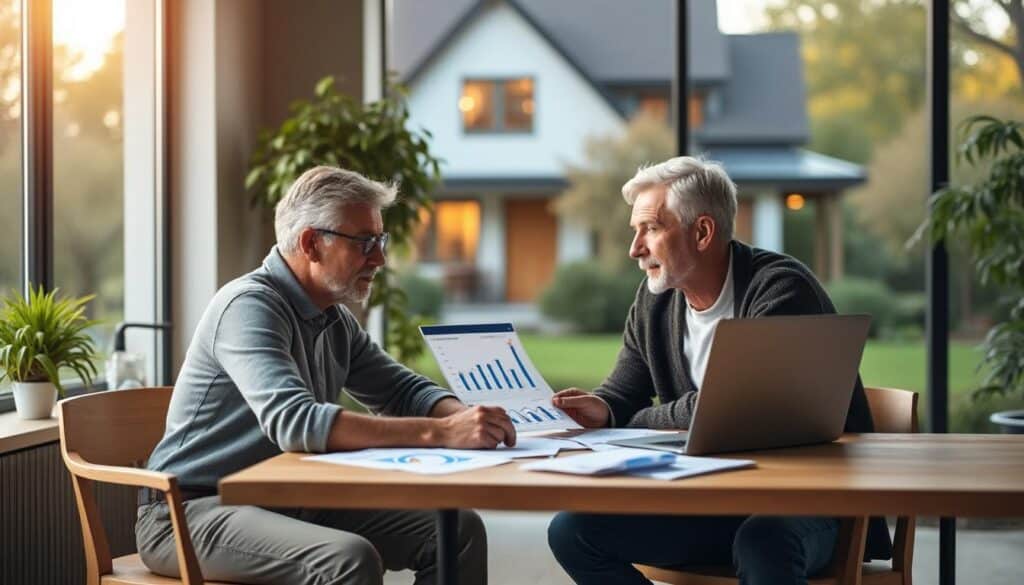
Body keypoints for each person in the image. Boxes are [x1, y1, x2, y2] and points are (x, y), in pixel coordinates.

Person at [137, 166, 514, 585]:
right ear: (312, 243)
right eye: (365, 242)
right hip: (192, 512)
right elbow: (295, 423)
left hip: (292, 499)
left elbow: (401, 390)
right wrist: (442, 433)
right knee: (347, 559)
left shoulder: (332, 318)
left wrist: (468, 418)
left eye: (381, 240)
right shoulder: (247, 306)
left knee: (457, 531)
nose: (380, 258)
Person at [545, 156, 890, 585]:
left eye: (650, 229)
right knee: (573, 530)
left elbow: (726, 407)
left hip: (813, 503)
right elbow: (624, 393)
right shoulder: (656, 299)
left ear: (703, 232)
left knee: (763, 540)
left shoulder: (781, 289)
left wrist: (637, 419)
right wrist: (601, 407)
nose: (635, 248)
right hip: (715, 502)